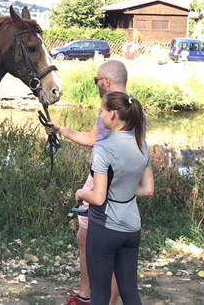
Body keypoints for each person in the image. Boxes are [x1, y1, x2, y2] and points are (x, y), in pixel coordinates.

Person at [45, 60, 133, 305]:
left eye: (96, 80)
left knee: (105, 246)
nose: (95, 84)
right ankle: (87, 295)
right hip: (104, 179)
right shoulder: (124, 108)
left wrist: (86, 191)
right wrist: (61, 130)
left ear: (106, 81)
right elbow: (94, 138)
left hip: (103, 180)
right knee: (86, 238)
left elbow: (106, 146)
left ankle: (98, 300)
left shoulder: (115, 111)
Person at [76, 91, 154, 305]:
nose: (100, 116)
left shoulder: (104, 148)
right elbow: (148, 189)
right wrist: (124, 190)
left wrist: (81, 193)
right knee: (130, 291)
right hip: (132, 229)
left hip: (105, 229)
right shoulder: (142, 145)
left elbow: (99, 198)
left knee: (99, 294)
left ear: (112, 114)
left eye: (101, 111)